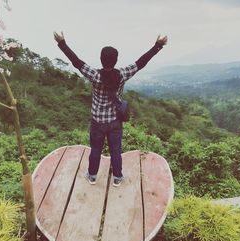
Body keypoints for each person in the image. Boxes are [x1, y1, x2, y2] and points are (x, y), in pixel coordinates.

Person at [54, 31, 167, 187]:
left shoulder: (94, 75)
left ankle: (92, 176)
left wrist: (62, 43)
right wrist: (158, 46)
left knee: (95, 150)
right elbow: (141, 63)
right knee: (115, 150)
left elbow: (76, 62)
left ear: (101, 59)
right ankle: (117, 178)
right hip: (115, 121)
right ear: (116, 60)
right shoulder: (122, 74)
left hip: (97, 122)